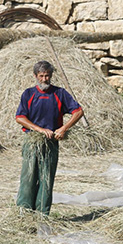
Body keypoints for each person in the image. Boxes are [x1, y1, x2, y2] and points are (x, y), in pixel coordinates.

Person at [14, 60, 83, 215]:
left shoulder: (60, 93)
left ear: (51, 75)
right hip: (32, 140)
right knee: (28, 177)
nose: (44, 79)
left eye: (47, 76)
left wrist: (64, 128)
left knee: (46, 179)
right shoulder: (29, 94)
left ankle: (42, 214)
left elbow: (78, 112)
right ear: (35, 76)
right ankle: (24, 212)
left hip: (51, 142)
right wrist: (39, 129)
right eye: (41, 76)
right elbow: (20, 117)